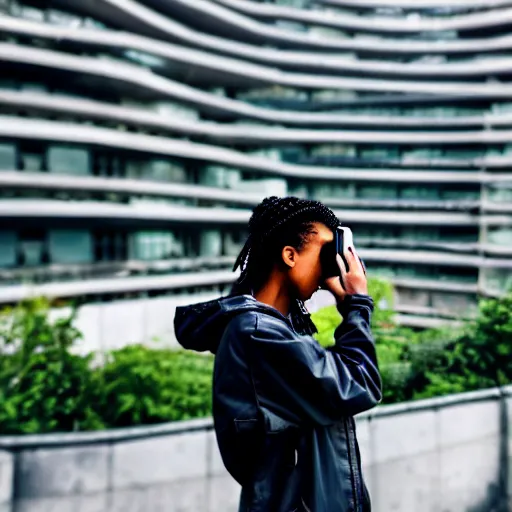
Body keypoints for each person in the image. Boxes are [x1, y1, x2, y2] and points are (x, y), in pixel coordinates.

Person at [174, 196, 382, 512]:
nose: (331, 264)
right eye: (324, 253)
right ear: (289, 255)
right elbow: (358, 382)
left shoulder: (275, 330)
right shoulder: (258, 333)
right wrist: (357, 304)